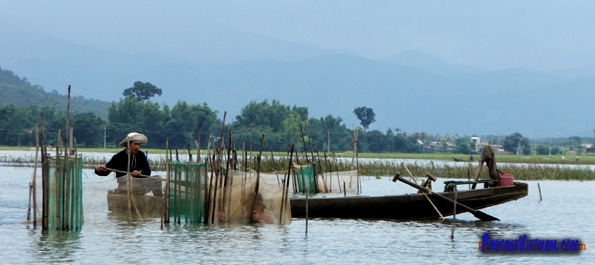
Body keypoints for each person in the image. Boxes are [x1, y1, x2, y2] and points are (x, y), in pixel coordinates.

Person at [95, 132, 161, 196]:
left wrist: (139, 173)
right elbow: (106, 171)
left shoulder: (141, 155)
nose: (137, 147)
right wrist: (98, 169)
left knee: (157, 179)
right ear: (128, 144)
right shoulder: (118, 157)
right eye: (135, 144)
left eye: (139, 145)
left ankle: (158, 199)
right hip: (124, 187)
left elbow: (147, 172)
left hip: (139, 186)